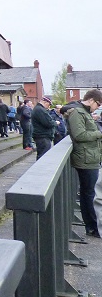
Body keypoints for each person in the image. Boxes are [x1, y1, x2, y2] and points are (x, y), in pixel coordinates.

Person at [62, 90, 102, 238]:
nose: (97, 107)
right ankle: (92, 227)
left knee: (89, 193)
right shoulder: (78, 113)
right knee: (89, 195)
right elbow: (79, 135)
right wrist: (100, 133)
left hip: (89, 157)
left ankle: (92, 227)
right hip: (85, 159)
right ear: (91, 100)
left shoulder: (82, 112)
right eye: (98, 104)